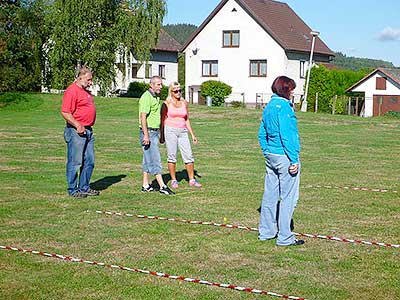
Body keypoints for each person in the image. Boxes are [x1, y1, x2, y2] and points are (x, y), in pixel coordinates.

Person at [258, 76, 304, 246]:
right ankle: (285, 237)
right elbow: (288, 135)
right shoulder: (284, 107)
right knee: (288, 197)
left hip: (271, 155)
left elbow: (261, 133)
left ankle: (266, 232)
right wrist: (294, 160)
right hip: (284, 156)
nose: (293, 92)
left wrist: (266, 150)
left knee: (270, 195)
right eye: (291, 89)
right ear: (286, 90)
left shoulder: (268, 106)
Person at [61, 66, 99, 198]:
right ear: (80, 77)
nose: (90, 82)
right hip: (76, 132)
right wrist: (78, 125)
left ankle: (84, 187)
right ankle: (73, 189)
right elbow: (65, 112)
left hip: (88, 131)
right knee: (75, 161)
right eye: (89, 80)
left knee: (89, 161)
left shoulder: (86, 92)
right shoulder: (72, 91)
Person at [160, 82, 201, 189]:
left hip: (183, 131)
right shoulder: (167, 103)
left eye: (179, 90)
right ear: (171, 92)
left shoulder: (184, 103)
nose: (178, 92)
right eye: (175, 91)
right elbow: (163, 120)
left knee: (189, 155)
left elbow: (186, 119)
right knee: (172, 156)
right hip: (170, 130)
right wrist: (162, 136)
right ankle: (174, 180)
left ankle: (192, 179)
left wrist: (192, 134)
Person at [139, 76, 174, 195]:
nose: (161, 86)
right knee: (155, 159)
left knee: (147, 159)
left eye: (161, 84)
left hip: (154, 132)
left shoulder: (156, 97)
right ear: (151, 85)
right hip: (148, 132)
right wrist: (146, 135)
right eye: (158, 84)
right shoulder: (146, 97)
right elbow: (143, 117)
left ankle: (145, 185)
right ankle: (162, 186)